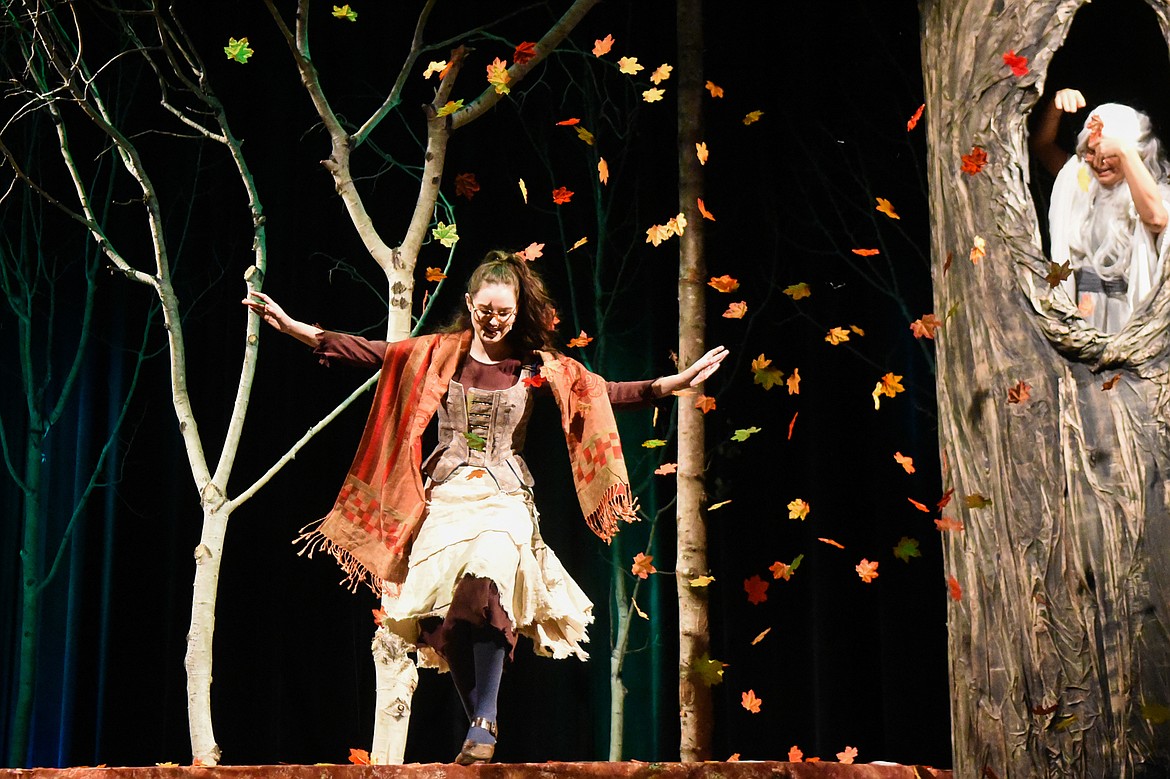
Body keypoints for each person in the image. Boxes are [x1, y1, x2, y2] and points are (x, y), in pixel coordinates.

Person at [243, 250, 726, 764]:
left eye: (504, 313)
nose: (493, 322)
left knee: (486, 585)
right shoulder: (439, 354)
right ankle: (483, 721)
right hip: (446, 496)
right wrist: (296, 329)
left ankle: (483, 717)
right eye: (484, 311)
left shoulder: (538, 367)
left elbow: (603, 393)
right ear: (470, 303)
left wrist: (673, 384)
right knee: (432, 619)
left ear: (518, 311)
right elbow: (373, 353)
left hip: (504, 499)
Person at [1030, 87, 1170, 333]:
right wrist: (1055, 107)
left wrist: (1124, 151)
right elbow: (1042, 146)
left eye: (1110, 154)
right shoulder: (1081, 181)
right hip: (1086, 310)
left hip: (1129, 314)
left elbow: (1157, 219)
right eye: (1091, 152)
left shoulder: (1152, 191)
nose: (1099, 162)